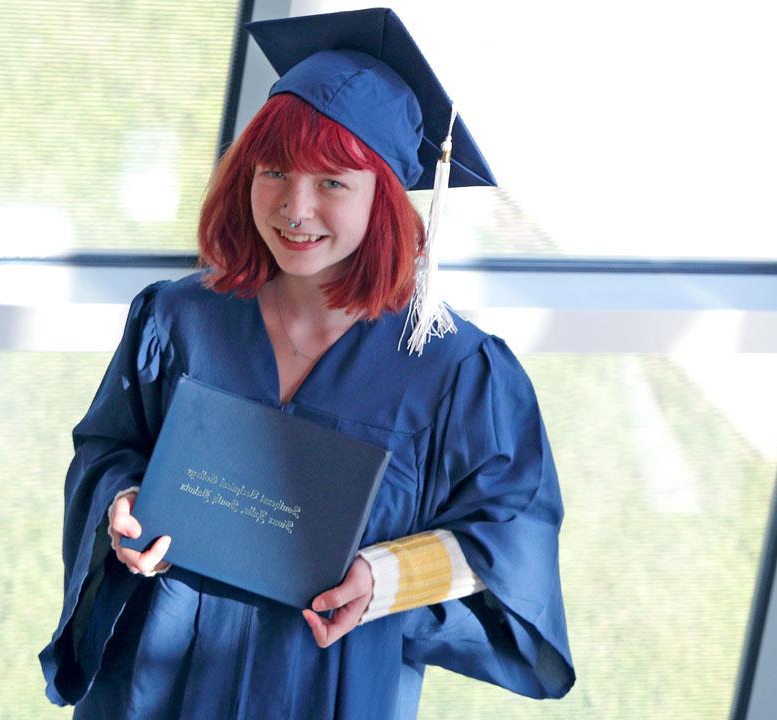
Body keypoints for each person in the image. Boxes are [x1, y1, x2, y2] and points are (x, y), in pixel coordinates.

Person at [39, 8, 574, 718]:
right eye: (275, 171)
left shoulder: (453, 372)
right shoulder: (178, 319)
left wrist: (384, 579)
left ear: (384, 197)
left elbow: (513, 534)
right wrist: (122, 506)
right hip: (153, 681)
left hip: (328, 679)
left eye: (333, 183)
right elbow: (108, 448)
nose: (295, 208)